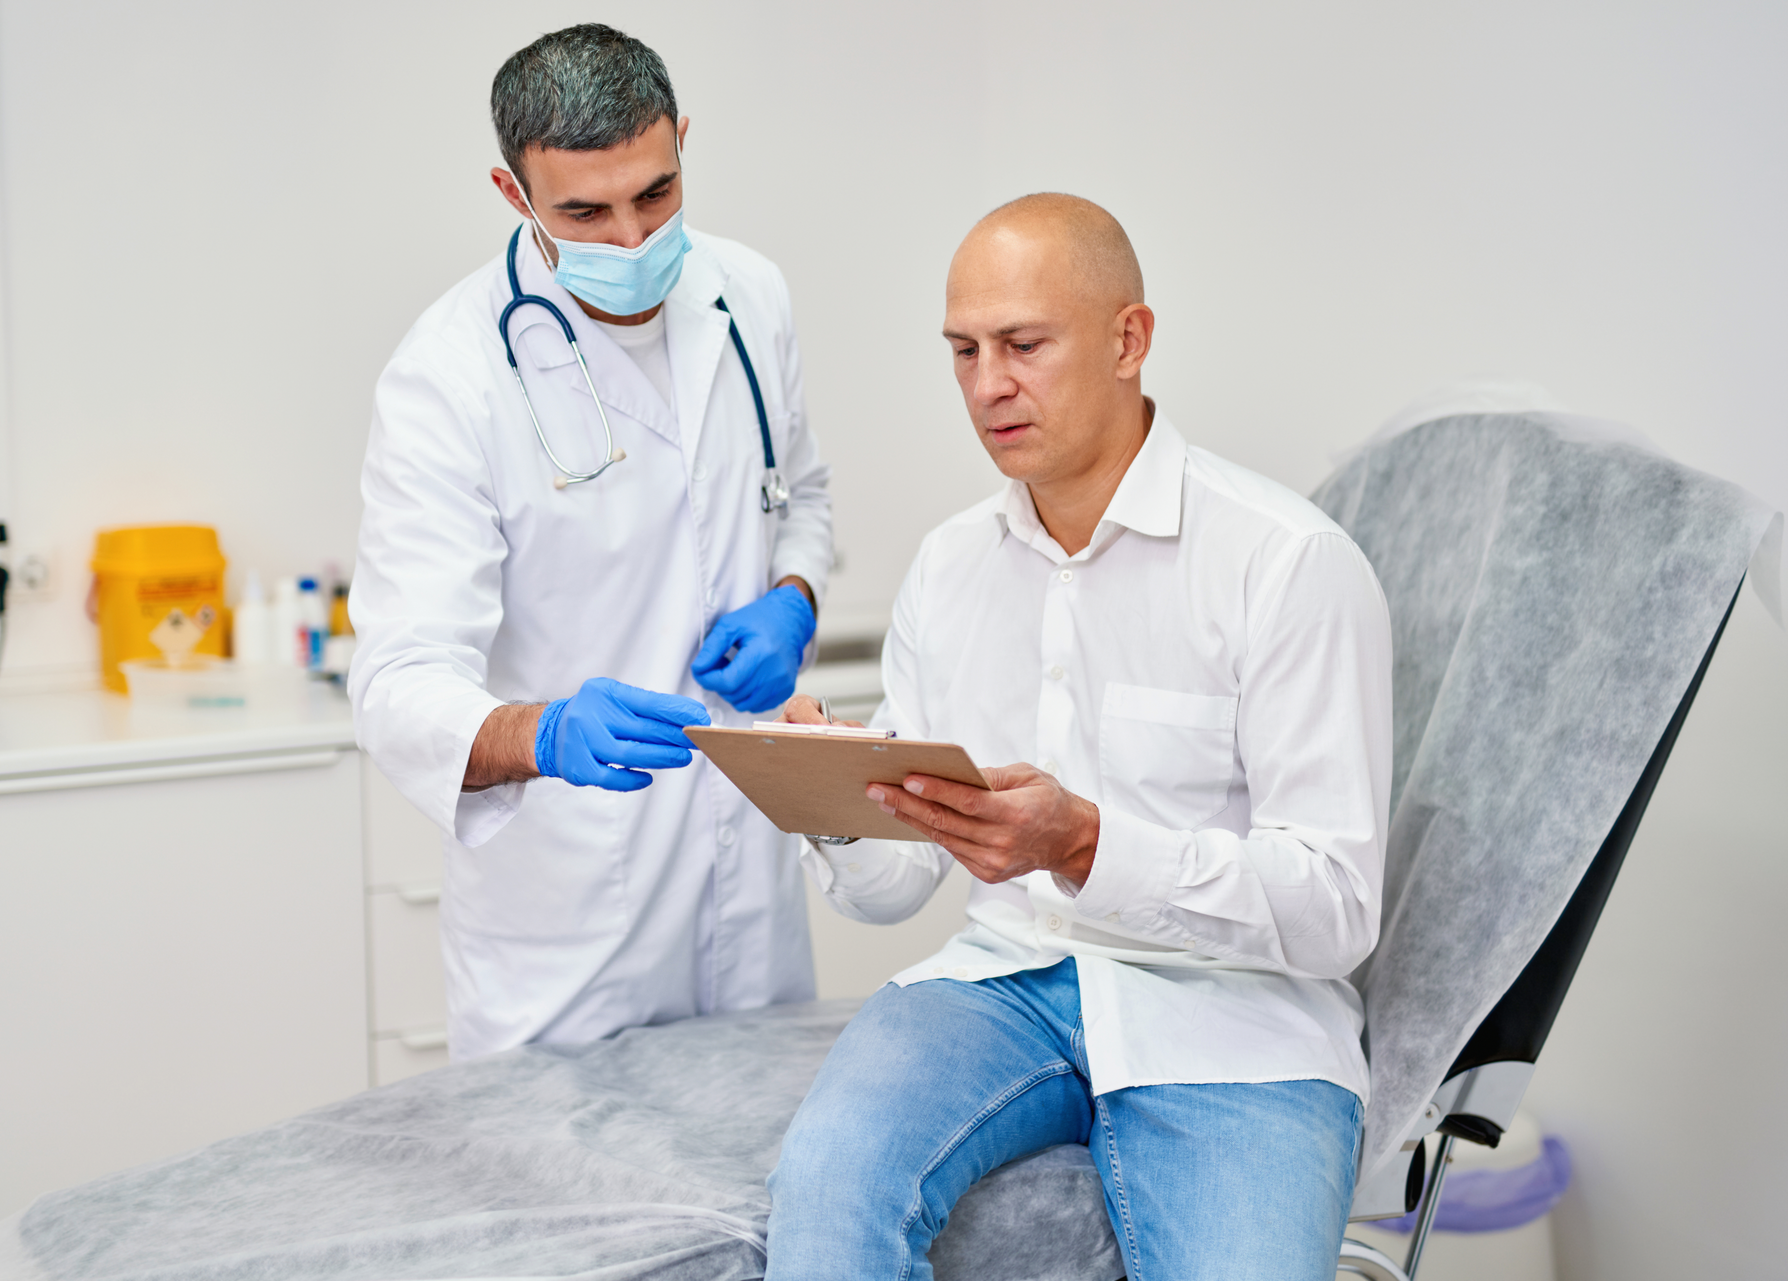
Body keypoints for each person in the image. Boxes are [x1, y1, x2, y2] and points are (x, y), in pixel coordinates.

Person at [762, 194, 1392, 1279]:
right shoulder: (950, 568)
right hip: (1003, 981)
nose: (986, 385)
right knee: (823, 1199)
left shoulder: (1286, 563)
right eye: (962, 350)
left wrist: (1085, 844)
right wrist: (837, 803)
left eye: (1022, 345)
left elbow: (1334, 909)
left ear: (1128, 340)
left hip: (1235, 1019)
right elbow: (900, 888)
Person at [348, 24, 833, 1058]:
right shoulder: (450, 376)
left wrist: (793, 598)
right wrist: (545, 734)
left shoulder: (750, 296)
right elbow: (396, 682)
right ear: (511, 192)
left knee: (764, 1180)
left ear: (682, 143)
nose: (630, 238)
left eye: (655, 195)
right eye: (584, 210)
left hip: (749, 872)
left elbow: (801, 494)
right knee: (573, 1209)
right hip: (572, 917)